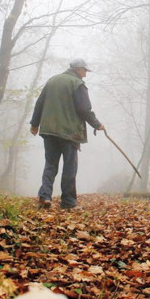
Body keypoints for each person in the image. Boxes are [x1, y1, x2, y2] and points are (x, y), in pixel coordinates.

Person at [30, 58, 104, 210]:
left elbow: (40, 102)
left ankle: (45, 196)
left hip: (49, 130)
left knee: (50, 164)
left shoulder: (52, 80)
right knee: (70, 167)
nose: (85, 75)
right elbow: (84, 109)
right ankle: (68, 203)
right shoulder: (77, 84)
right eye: (84, 71)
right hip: (69, 133)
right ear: (77, 69)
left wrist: (34, 124)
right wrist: (97, 124)